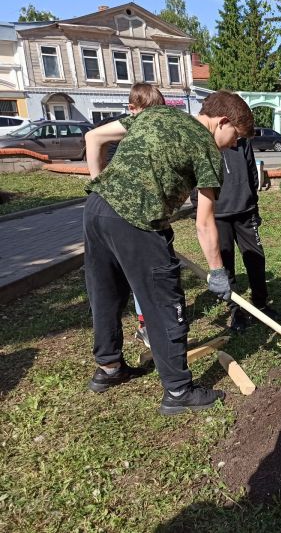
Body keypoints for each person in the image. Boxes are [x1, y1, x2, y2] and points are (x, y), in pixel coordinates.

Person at [83, 90, 253, 415]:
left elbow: (95, 136)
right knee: (165, 303)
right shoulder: (207, 149)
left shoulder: (154, 114)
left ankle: (108, 368)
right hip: (136, 221)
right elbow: (204, 223)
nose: (234, 145)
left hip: (96, 211)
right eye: (236, 137)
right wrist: (218, 272)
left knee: (107, 293)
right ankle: (178, 390)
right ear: (223, 122)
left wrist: (106, 189)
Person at [93, 82, 167, 350]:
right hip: (120, 217)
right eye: (146, 112)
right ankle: (146, 326)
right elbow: (92, 139)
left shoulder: (148, 133)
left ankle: (139, 330)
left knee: (134, 280)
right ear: (132, 109)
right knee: (127, 280)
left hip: (137, 215)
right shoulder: (124, 129)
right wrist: (97, 183)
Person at [190, 137, 281, 332]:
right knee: (226, 264)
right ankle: (236, 311)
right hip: (218, 214)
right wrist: (199, 208)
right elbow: (192, 176)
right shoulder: (202, 139)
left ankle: (261, 304)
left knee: (256, 259)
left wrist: (254, 205)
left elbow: (251, 171)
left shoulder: (242, 140)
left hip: (245, 211)